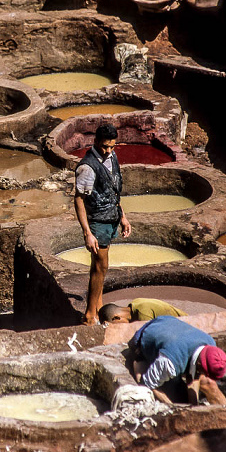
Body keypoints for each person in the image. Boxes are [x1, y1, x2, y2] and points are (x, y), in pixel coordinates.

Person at [73, 123, 131, 324]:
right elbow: (79, 199)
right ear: (96, 142)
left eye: (112, 147)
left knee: (101, 267)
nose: (108, 151)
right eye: (105, 146)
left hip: (111, 217)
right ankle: (90, 316)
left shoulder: (112, 157)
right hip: (97, 221)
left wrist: (122, 216)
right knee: (100, 265)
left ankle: (98, 307)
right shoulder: (87, 167)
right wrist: (87, 232)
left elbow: (113, 190)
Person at [129, 315, 226, 406]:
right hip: (144, 337)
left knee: (208, 383)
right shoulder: (169, 363)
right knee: (145, 387)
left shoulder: (210, 343)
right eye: (206, 372)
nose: (207, 375)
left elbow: (194, 376)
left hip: (170, 324)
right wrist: (174, 408)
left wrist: (194, 407)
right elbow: (149, 384)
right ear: (199, 363)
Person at [98, 298, 187, 324]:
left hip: (188, 327)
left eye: (115, 327)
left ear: (117, 317)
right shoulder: (135, 303)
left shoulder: (143, 315)